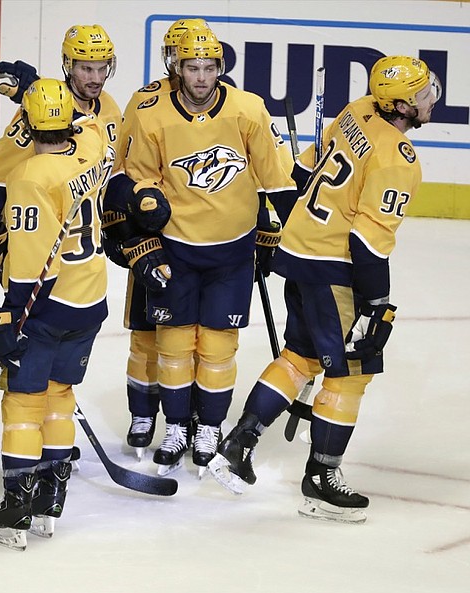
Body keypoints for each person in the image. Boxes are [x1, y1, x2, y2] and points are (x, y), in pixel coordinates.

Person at [208, 55, 441, 523]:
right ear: (400, 104)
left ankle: (237, 444)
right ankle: (321, 478)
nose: (428, 100)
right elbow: (367, 242)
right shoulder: (399, 160)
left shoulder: (357, 111)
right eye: (419, 95)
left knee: (300, 357)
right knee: (351, 372)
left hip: (299, 251)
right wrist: (377, 305)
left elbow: (304, 170)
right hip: (334, 267)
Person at [122, 29, 298, 476]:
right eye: (191, 67)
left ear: (221, 69)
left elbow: (275, 177)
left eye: (209, 68)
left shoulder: (247, 109)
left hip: (232, 253)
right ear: (176, 69)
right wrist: (142, 219)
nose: (201, 77)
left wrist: (290, 235)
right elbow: (137, 176)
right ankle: (178, 426)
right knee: (175, 347)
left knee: (219, 348)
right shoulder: (152, 115)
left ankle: (210, 428)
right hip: (176, 249)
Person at [0, 78, 111, 551]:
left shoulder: (30, 176)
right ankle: (52, 496)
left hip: (48, 306)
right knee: (61, 393)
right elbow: (93, 122)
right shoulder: (93, 147)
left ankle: (16, 505)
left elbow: (35, 262)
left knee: (23, 400)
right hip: (91, 299)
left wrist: (11, 319)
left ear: (30, 123)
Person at [101, 18, 210, 461]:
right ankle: (144, 413)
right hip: (155, 240)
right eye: (174, 53)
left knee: (203, 338)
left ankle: (197, 418)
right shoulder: (144, 101)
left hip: (204, 242)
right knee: (147, 338)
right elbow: (121, 172)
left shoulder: (223, 103)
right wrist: (128, 234)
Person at [0, 24, 122, 278]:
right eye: (86, 69)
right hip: (39, 246)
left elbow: (109, 171)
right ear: (68, 64)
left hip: (84, 252)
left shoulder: (109, 108)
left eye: (103, 68)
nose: (96, 78)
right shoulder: (42, 110)